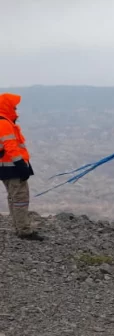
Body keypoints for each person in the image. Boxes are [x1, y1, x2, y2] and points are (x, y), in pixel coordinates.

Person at [0, 93, 43, 241]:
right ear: (7, 107)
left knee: (14, 198)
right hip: (12, 168)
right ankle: (24, 231)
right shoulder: (4, 123)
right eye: (14, 107)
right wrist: (21, 167)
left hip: (6, 168)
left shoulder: (3, 122)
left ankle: (19, 227)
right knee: (20, 199)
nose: (16, 110)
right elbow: (11, 148)